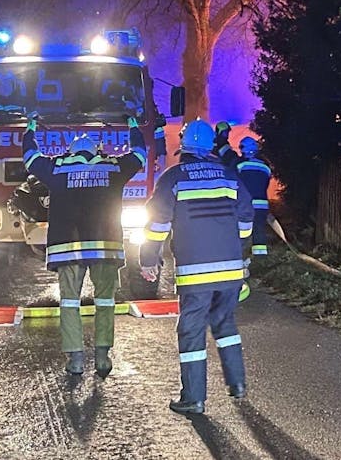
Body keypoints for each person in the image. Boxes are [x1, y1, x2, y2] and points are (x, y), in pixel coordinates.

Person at [140, 118, 255, 415]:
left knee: (191, 332)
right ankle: (237, 384)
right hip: (231, 270)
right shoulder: (229, 176)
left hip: (196, 272)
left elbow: (156, 225)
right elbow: (246, 217)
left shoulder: (173, 178)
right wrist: (237, 246)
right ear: (209, 147)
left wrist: (148, 259)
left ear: (184, 144)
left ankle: (194, 397)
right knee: (225, 324)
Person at [21, 114, 146, 378]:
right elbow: (139, 155)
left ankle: (76, 360)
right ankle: (102, 357)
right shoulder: (113, 167)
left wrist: (29, 130)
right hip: (106, 248)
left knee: (69, 303)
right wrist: (134, 128)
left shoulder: (56, 168)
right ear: (97, 150)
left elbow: (31, 157)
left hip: (68, 249)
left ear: (70, 151)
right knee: (105, 301)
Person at [234, 137, 272, 260]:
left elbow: (237, 184)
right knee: (259, 229)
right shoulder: (266, 167)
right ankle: (260, 258)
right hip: (262, 205)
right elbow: (265, 185)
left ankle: (240, 256)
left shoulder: (240, 166)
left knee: (242, 229)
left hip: (246, 204)